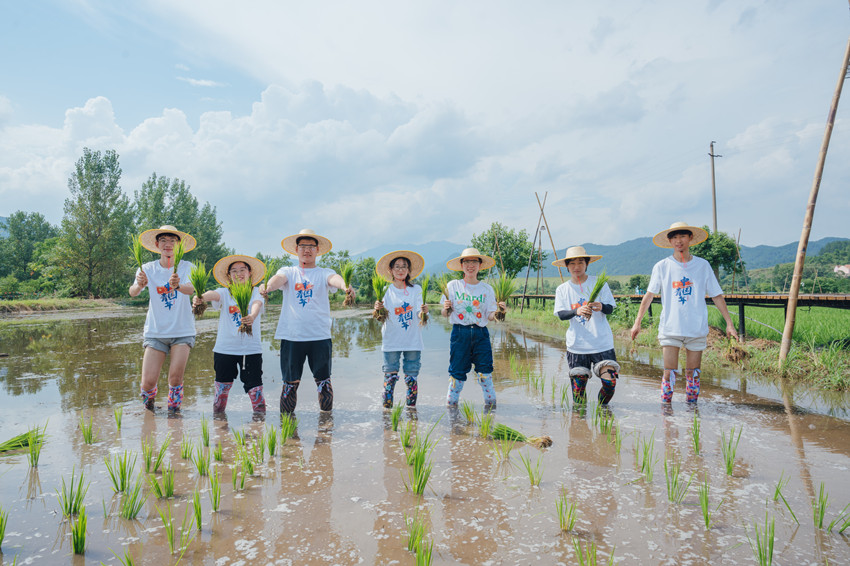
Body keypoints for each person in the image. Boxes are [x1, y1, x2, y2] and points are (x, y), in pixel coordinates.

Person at [630, 222, 739, 403]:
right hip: (671, 327)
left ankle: (692, 413)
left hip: (696, 328)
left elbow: (717, 295)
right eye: (674, 237)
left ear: (690, 238)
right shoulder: (662, 266)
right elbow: (649, 295)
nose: (678, 241)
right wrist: (637, 322)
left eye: (682, 236)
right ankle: (667, 414)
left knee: (693, 374)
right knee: (669, 372)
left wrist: (729, 323)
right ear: (670, 241)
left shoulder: (702, 266)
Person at [260, 229, 355, 414]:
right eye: (303, 246)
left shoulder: (324, 272)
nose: (307, 250)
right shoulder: (288, 271)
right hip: (292, 336)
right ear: (296, 249)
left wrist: (345, 286)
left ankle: (326, 428)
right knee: (289, 384)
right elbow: (278, 280)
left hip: (319, 336)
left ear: (317, 249)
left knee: (324, 382)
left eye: (311, 246)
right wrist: (267, 287)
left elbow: (335, 279)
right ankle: (287, 431)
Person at [129, 225, 197, 412]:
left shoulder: (188, 267)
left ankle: (174, 415)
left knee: (175, 378)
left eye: (172, 241)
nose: (168, 244)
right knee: (148, 382)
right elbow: (133, 292)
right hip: (156, 332)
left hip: (182, 331)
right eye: (164, 241)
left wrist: (179, 286)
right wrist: (140, 285)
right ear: (157, 244)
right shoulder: (147, 269)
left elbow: (192, 289)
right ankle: (149, 411)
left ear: (178, 245)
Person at [193, 255, 266, 415]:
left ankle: (259, 427)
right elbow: (213, 294)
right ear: (228, 275)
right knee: (221, 390)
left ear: (249, 272)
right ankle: (219, 426)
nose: (238, 273)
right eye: (234, 271)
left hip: (251, 350)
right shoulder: (225, 293)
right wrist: (200, 297)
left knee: (255, 390)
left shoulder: (256, 292)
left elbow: (257, 304)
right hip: (225, 349)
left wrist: (252, 317)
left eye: (242, 270)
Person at [552, 246, 619, 405]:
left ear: (587, 264)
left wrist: (601, 306)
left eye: (581, 262)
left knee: (610, 384)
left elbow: (610, 308)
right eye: (572, 263)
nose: (577, 267)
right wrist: (577, 311)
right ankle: (580, 423)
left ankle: (603, 411)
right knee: (578, 393)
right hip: (578, 346)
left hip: (602, 343)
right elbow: (561, 314)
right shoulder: (563, 289)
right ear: (567, 266)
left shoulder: (599, 283)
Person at [440, 248, 506, 408]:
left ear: (480, 265)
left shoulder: (486, 289)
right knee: (457, 373)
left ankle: (491, 411)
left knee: (485, 373)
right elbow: (444, 314)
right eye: (467, 262)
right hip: (459, 334)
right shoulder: (453, 286)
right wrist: (446, 308)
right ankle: (451, 410)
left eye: (474, 262)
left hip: (480, 334)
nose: (471, 265)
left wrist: (500, 312)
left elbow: (490, 315)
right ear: (461, 265)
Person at [374, 250, 429, 408]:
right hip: (391, 341)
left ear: (409, 270)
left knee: (411, 379)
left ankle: (412, 413)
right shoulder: (385, 290)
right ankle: (387, 413)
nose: (400, 269)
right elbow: (380, 315)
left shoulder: (416, 290)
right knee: (389, 378)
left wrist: (424, 312)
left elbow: (420, 313)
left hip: (412, 342)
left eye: (404, 266)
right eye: (397, 266)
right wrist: (377, 308)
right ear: (390, 270)